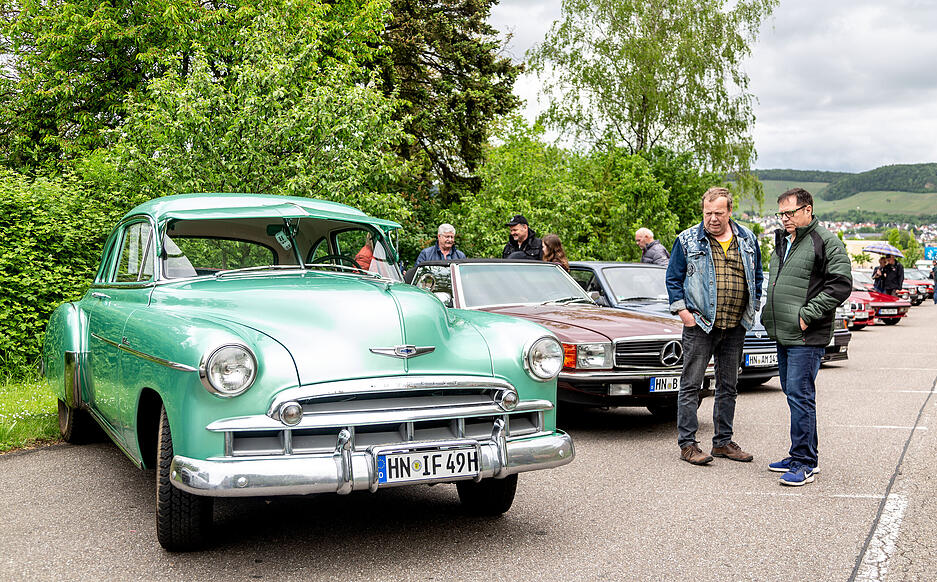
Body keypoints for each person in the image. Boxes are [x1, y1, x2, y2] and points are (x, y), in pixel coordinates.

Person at [665, 187, 763, 466]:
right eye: (708, 213)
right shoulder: (687, 240)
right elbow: (673, 279)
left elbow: (756, 277)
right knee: (691, 385)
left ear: (730, 211)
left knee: (728, 386)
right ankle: (688, 445)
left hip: (735, 325)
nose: (713, 218)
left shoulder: (747, 239)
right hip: (700, 325)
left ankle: (722, 442)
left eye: (719, 213)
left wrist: (752, 308)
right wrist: (684, 313)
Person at [761, 187, 852, 486]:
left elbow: (840, 285)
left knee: (800, 396)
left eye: (790, 213)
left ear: (808, 210)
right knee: (793, 392)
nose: (785, 218)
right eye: (781, 213)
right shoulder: (783, 241)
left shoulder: (825, 241)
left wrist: (807, 315)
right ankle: (802, 454)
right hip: (783, 332)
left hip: (805, 335)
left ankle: (804, 463)